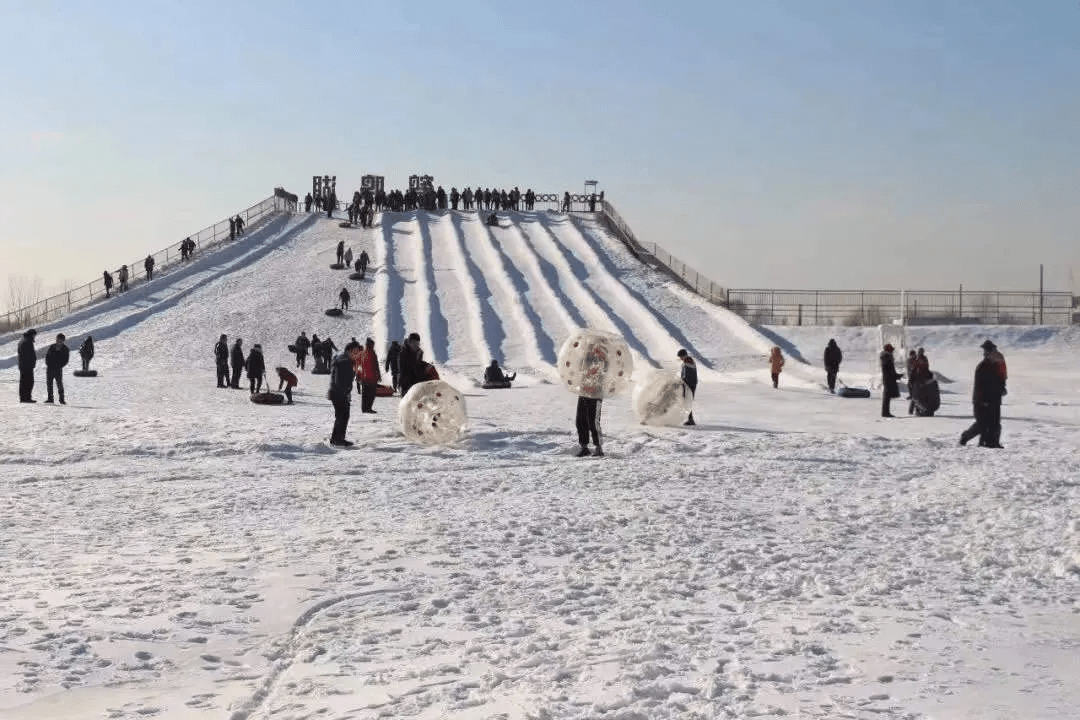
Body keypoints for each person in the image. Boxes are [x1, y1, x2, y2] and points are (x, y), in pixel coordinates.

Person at [960, 340, 1007, 448]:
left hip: (995, 398)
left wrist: (1002, 389)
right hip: (982, 401)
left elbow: (1000, 380)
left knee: (995, 422)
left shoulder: (996, 366)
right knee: (982, 423)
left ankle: (992, 442)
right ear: (986, 353)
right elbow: (979, 386)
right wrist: (982, 400)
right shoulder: (982, 367)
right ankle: (966, 436)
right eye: (991, 352)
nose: (994, 353)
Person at [328, 340, 362, 447]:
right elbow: (340, 380)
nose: (357, 354)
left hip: (338, 393)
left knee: (342, 416)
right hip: (339, 393)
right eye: (354, 351)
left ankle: (337, 438)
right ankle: (338, 440)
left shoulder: (345, 360)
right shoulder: (344, 362)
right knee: (342, 416)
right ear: (348, 351)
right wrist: (345, 393)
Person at [354, 337, 381, 413]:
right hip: (372, 378)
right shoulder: (372, 353)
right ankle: (368, 408)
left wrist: (358, 374)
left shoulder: (362, 353)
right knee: (371, 394)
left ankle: (364, 408)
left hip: (364, 377)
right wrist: (378, 375)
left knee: (365, 394)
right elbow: (376, 366)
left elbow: (358, 365)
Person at [44, 333, 69, 404]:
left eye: (60, 340)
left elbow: (65, 360)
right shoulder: (52, 347)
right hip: (50, 369)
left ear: (63, 340)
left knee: (59, 384)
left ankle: (62, 400)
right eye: (58, 339)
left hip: (58, 369)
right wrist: (48, 364)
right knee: (49, 384)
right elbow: (47, 356)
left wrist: (59, 366)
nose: (59, 341)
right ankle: (50, 399)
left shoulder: (65, 349)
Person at [879, 343, 903, 418]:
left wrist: (896, 375)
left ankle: (886, 412)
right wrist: (896, 376)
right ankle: (885, 412)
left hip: (887, 379)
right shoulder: (887, 358)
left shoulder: (886, 357)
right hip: (888, 379)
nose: (892, 351)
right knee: (887, 397)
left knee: (887, 396)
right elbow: (890, 371)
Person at [677, 349, 697, 425]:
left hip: (690, 384)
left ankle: (691, 420)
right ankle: (690, 419)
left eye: (680, 357)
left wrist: (683, 381)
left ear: (683, 355)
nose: (680, 359)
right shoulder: (687, 361)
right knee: (687, 401)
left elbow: (686, 373)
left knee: (688, 401)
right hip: (689, 383)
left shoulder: (688, 361)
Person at [17, 328, 38, 403]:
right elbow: (29, 354)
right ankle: (27, 398)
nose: (35, 337)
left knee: (23, 382)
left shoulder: (22, 340)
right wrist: (32, 361)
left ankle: (23, 398)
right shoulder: (28, 341)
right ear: (32, 334)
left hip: (23, 365)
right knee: (29, 382)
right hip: (27, 365)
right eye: (34, 335)